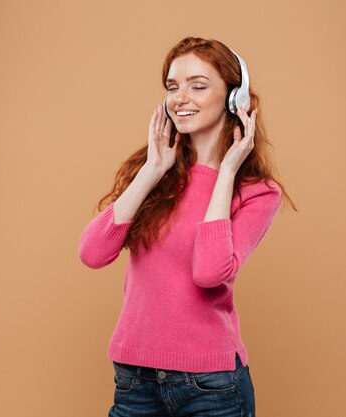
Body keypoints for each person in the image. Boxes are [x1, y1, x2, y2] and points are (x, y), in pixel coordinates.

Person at [78, 36, 298, 417]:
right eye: (173, 87)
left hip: (211, 386)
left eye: (198, 85)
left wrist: (225, 170)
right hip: (134, 380)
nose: (181, 97)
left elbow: (209, 272)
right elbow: (92, 254)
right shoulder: (152, 174)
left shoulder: (257, 193)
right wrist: (151, 171)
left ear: (235, 99)